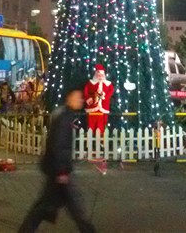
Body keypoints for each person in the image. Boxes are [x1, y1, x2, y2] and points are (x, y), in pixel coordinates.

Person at [18, 88, 96, 233]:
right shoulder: (64, 117)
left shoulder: (64, 114)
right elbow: (59, 144)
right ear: (69, 98)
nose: (81, 101)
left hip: (57, 170)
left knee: (49, 206)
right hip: (60, 171)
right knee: (74, 207)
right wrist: (62, 171)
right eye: (77, 97)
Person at [84, 64, 114, 134]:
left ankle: (100, 141)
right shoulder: (91, 83)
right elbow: (86, 91)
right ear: (95, 74)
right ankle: (90, 141)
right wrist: (89, 98)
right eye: (98, 74)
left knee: (102, 125)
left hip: (103, 107)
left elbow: (111, 91)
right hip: (92, 107)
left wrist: (105, 97)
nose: (100, 76)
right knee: (91, 125)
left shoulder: (108, 84)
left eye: (101, 75)